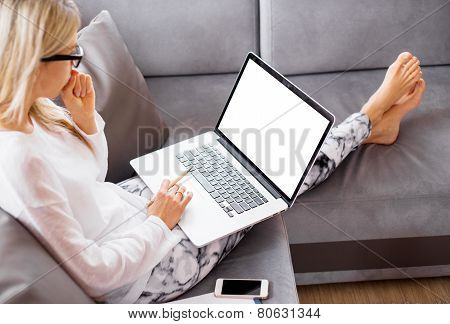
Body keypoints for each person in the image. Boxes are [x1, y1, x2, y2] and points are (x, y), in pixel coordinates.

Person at [0, 0, 425, 303]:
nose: (78, 62)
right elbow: (95, 275)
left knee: (229, 152)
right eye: (72, 51)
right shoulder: (20, 158)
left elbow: (87, 178)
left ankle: (367, 128)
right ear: (33, 61)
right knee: (268, 173)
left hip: (130, 210)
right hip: (145, 271)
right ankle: (369, 120)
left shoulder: (30, 113)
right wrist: (158, 222)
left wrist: (87, 121)